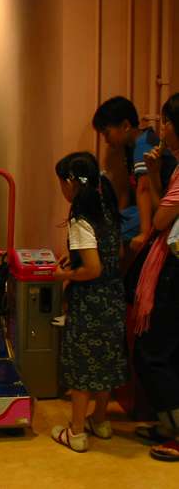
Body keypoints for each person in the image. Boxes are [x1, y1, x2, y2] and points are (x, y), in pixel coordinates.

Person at [50, 152, 128, 453]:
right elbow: (115, 254)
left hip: (89, 302)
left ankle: (76, 432)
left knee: (82, 364)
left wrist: (65, 275)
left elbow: (92, 268)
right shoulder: (107, 208)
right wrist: (78, 258)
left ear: (71, 182)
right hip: (113, 297)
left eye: (61, 182)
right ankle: (100, 421)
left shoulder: (80, 219)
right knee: (105, 359)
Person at [133, 93, 179, 461]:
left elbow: (162, 220)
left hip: (175, 269)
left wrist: (154, 175)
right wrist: (154, 173)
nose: (161, 128)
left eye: (165, 122)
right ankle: (167, 425)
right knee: (166, 349)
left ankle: (176, 431)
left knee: (155, 351)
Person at [92, 97, 176, 254]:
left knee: (103, 234)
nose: (106, 140)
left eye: (107, 133)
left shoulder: (143, 145)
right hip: (151, 206)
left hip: (162, 208)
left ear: (125, 126)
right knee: (104, 224)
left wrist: (144, 233)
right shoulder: (132, 146)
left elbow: (144, 189)